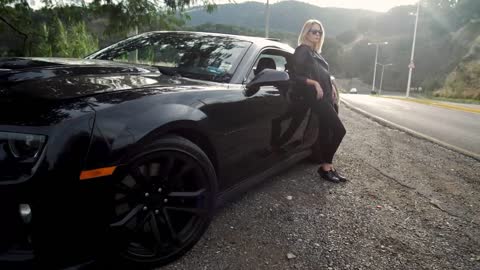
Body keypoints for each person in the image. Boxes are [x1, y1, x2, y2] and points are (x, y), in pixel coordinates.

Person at [290, 19, 347, 183]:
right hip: (317, 98)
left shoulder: (315, 53)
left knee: (325, 132)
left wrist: (333, 89)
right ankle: (326, 167)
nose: (317, 34)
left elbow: (324, 75)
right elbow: (296, 76)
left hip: (327, 97)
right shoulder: (302, 50)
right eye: (313, 31)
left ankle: (327, 167)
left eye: (319, 32)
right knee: (339, 130)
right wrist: (314, 83)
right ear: (305, 33)